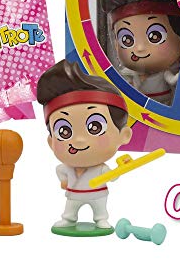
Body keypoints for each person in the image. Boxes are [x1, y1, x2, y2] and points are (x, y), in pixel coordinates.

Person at [36, 60, 132, 231]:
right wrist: (64, 181)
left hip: (98, 195)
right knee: (70, 210)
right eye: (64, 131)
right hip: (73, 195)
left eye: (95, 127)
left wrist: (121, 169)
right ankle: (68, 220)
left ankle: (101, 220)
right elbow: (60, 171)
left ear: (123, 136)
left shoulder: (102, 169)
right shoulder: (66, 168)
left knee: (100, 210)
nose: (79, 140)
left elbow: (113, 177)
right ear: (51, 142)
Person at [105, 0, 180, 106]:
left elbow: (172, 80)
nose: (140, 48)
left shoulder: (165, 73)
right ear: (116, 44)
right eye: (127, 39)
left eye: (155, 36)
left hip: (164, 104)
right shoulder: (129, 74)